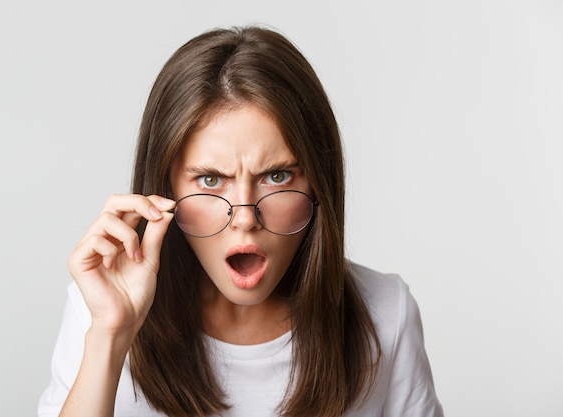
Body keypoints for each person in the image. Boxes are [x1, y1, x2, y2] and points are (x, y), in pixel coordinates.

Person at [38, 26, 444, 417]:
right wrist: (110, 335)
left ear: (319, 183)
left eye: (277, 176)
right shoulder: (99, 308)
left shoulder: (387, 313)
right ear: (165, 190)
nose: (246, 218)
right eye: (211, 180)